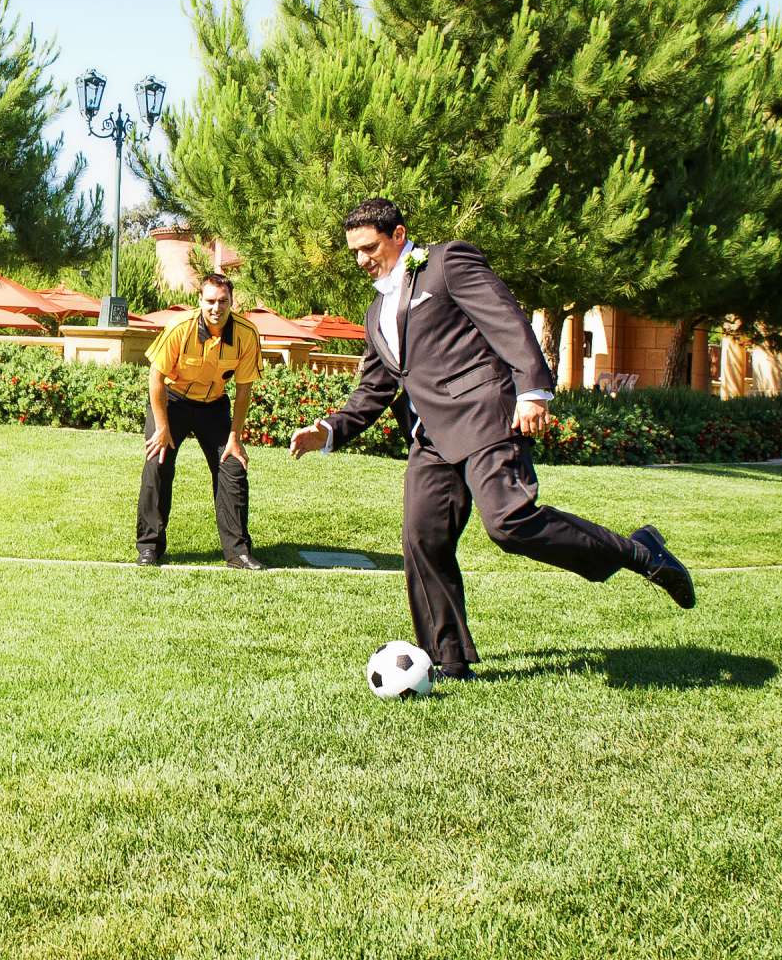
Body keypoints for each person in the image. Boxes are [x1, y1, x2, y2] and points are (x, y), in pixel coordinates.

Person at [289, 196, 694, 681]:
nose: (362, 260)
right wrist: (330, 430)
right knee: (423, 541)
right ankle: (447, 659)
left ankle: (638, 552)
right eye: (354, 251)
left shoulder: (446, 262)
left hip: (484, 417)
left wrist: (533, 389)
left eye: (370, 247)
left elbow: (505, 319)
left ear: (399, 235)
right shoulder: (376, 312)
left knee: (510, 524)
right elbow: (375, 386)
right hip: (431, 440)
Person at [136, 272, 265, 569]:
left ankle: (237, 552)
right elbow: (155, 377)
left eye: (223, 301)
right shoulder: (179, 327)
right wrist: (163, 427)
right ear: (200, 301)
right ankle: (149, 548)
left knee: (232, 466)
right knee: (158, 463)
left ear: (232, 302)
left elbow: (244, 389)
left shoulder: (246, 334)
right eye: (210, 301)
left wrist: (235, 437)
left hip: (213, 406)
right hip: (172, 402)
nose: (216, 308)